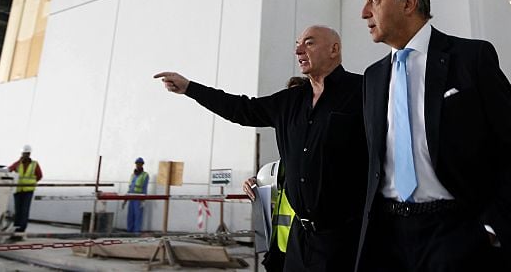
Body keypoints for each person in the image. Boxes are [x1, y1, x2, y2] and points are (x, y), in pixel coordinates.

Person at [356, 0, 511, 271]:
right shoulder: (373, 78)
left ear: (408, 3)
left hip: (457, 232)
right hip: (387, 236)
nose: (364, 13)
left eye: (374, 0)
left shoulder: (472, 58)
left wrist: (493, 225)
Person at [154, 25, 367, 272]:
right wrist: (190, 88)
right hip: (298, 241)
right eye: (297, 44)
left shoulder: (363, 91)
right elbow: (241, 109)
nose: (298, 50)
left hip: (344, 241)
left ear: (334, 49)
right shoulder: (290, 101)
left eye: (308, 43)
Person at [242, 76, 311, 272]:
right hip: (279, 252)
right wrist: (254, 184)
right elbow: (268, 193)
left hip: (307, 252)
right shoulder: (272, 170)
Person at [8, 145, 42, 234]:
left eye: (27, 153)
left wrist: (32, 183)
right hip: (18, 189)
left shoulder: (34, 164)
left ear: (29, 154)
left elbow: (39, 175)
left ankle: (22, 227)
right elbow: (9, 170)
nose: (25, 155)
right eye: (24, 153)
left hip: (28, 190)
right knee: (18, 209)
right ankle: (16, 226)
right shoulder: (18, 164)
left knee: (25, 209)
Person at [126, 157, 149, 233]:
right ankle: (129, 230)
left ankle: (136, 231)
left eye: (140, 164)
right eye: (137, 164)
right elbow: (130, 186)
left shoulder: (145, 175)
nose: (138, 165)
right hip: (131, 197)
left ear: (142, 165)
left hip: (138, 198)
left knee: (138, 214)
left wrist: (143, 199)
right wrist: (126, 197)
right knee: (130, 214)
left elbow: (145, 187)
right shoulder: (132, 175)